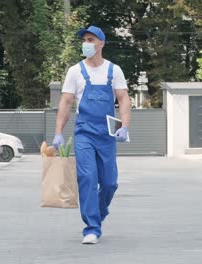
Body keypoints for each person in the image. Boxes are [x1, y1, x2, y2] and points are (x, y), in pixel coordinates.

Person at [53, 25, 131, 244]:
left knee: (109, 183)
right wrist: (58, 132)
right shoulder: (75, 71)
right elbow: (66, 102)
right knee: (87, 177)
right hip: (84, 132)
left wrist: (124, 126)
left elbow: (124, 98)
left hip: (107, 133)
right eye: (84, 40)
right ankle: (92, 227)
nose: (86, 43)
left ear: (101, 43)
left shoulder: (113, 70)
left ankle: (98, 210)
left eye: (91, 39)